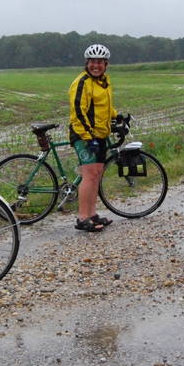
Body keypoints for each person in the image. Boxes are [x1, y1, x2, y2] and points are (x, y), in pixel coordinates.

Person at [68, 44, 116, 232]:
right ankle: (82, 218)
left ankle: (92, 214)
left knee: (96, 175)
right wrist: (89, 138)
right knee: (88, 175)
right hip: (84, 135)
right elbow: (78, 113)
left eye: (100, 62)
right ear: (87, 63)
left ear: (106, 64)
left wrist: (116, 116)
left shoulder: (104, 82)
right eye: (92, 62)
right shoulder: (82, 82)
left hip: (100, 134)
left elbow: (104, 107)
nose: (96, 65)